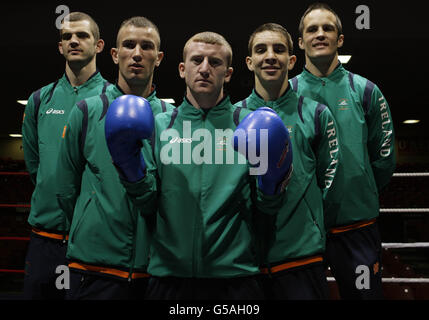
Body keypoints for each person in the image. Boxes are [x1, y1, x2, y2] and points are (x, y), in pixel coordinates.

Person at [105, 31, 292, 300]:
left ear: (227, 73)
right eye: (197, 60)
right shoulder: (159, 125)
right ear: (183, 69)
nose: (204, 69)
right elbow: (147, 202)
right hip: (168, 276)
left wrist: (274, 183)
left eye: (215, 63)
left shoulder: (250, 124)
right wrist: (128, 167)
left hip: (235, 278)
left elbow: (267, 208)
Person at [55, 16, 174, 300]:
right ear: (114, 53)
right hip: (93, 267)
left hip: (157, 268)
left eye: (146, 47)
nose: (136, 53)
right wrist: (92, 228)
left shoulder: (173, 120)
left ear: (158, 58)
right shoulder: (86, 112)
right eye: (129, 45)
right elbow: (65, 189)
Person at [291, 2, 396, 299]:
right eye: (312, 29)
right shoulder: (286, 96)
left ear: (340, 39)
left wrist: (358, 191)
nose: (320, 34)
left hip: (357, 228)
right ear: (300, 42)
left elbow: (384, 156)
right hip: (302, 232)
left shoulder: (365, 91)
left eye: (328, 28)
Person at [236, 22, 340, 299]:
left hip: (301, 256)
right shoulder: (231, 118)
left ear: (291, 60)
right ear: (249, 62)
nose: (270, 56)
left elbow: (328, 183)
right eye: (261, 50)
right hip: (245, 260)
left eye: (278, 49)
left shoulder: (316, 114)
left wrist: (312, 230)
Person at [21, 12, 108, 299]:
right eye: (66, 36)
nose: (73, 40)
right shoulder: (39, 100)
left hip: (93, 241)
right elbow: (35, 167)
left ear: (99, 45)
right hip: (45, 238)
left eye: (82, 35)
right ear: (60, 47)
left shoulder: (114, 100)